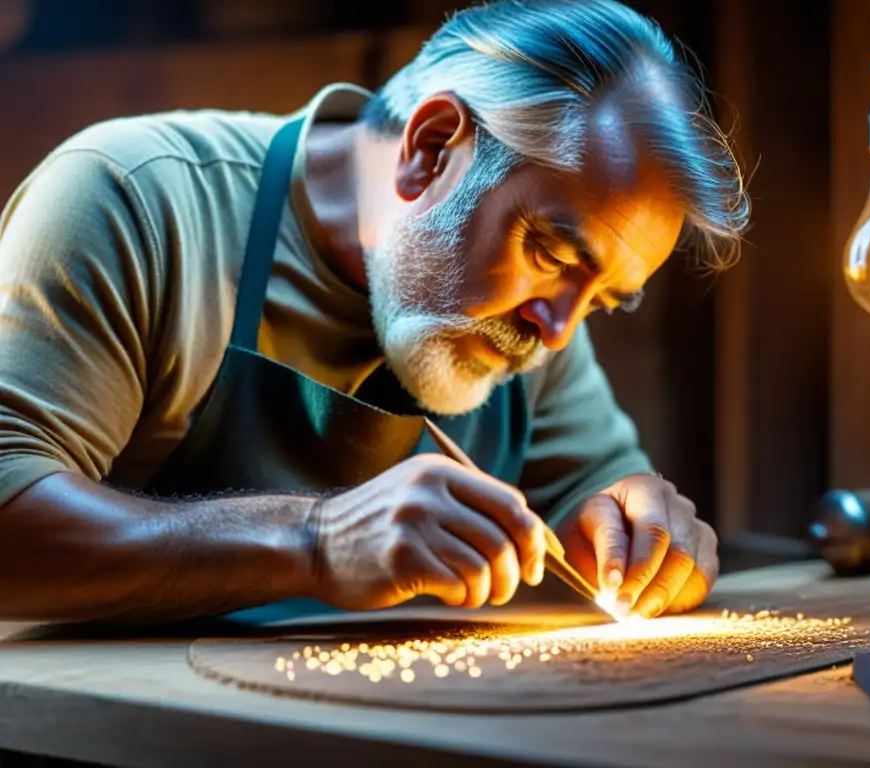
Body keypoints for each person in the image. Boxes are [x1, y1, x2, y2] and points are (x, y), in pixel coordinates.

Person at [0, 0, 748, 625]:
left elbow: (601, 489)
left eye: (603, 297)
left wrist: (641, 531)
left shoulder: (538, 321)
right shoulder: (137, 200)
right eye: (553, 254)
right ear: (429, 147)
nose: (556, 330)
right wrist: (313, 540)